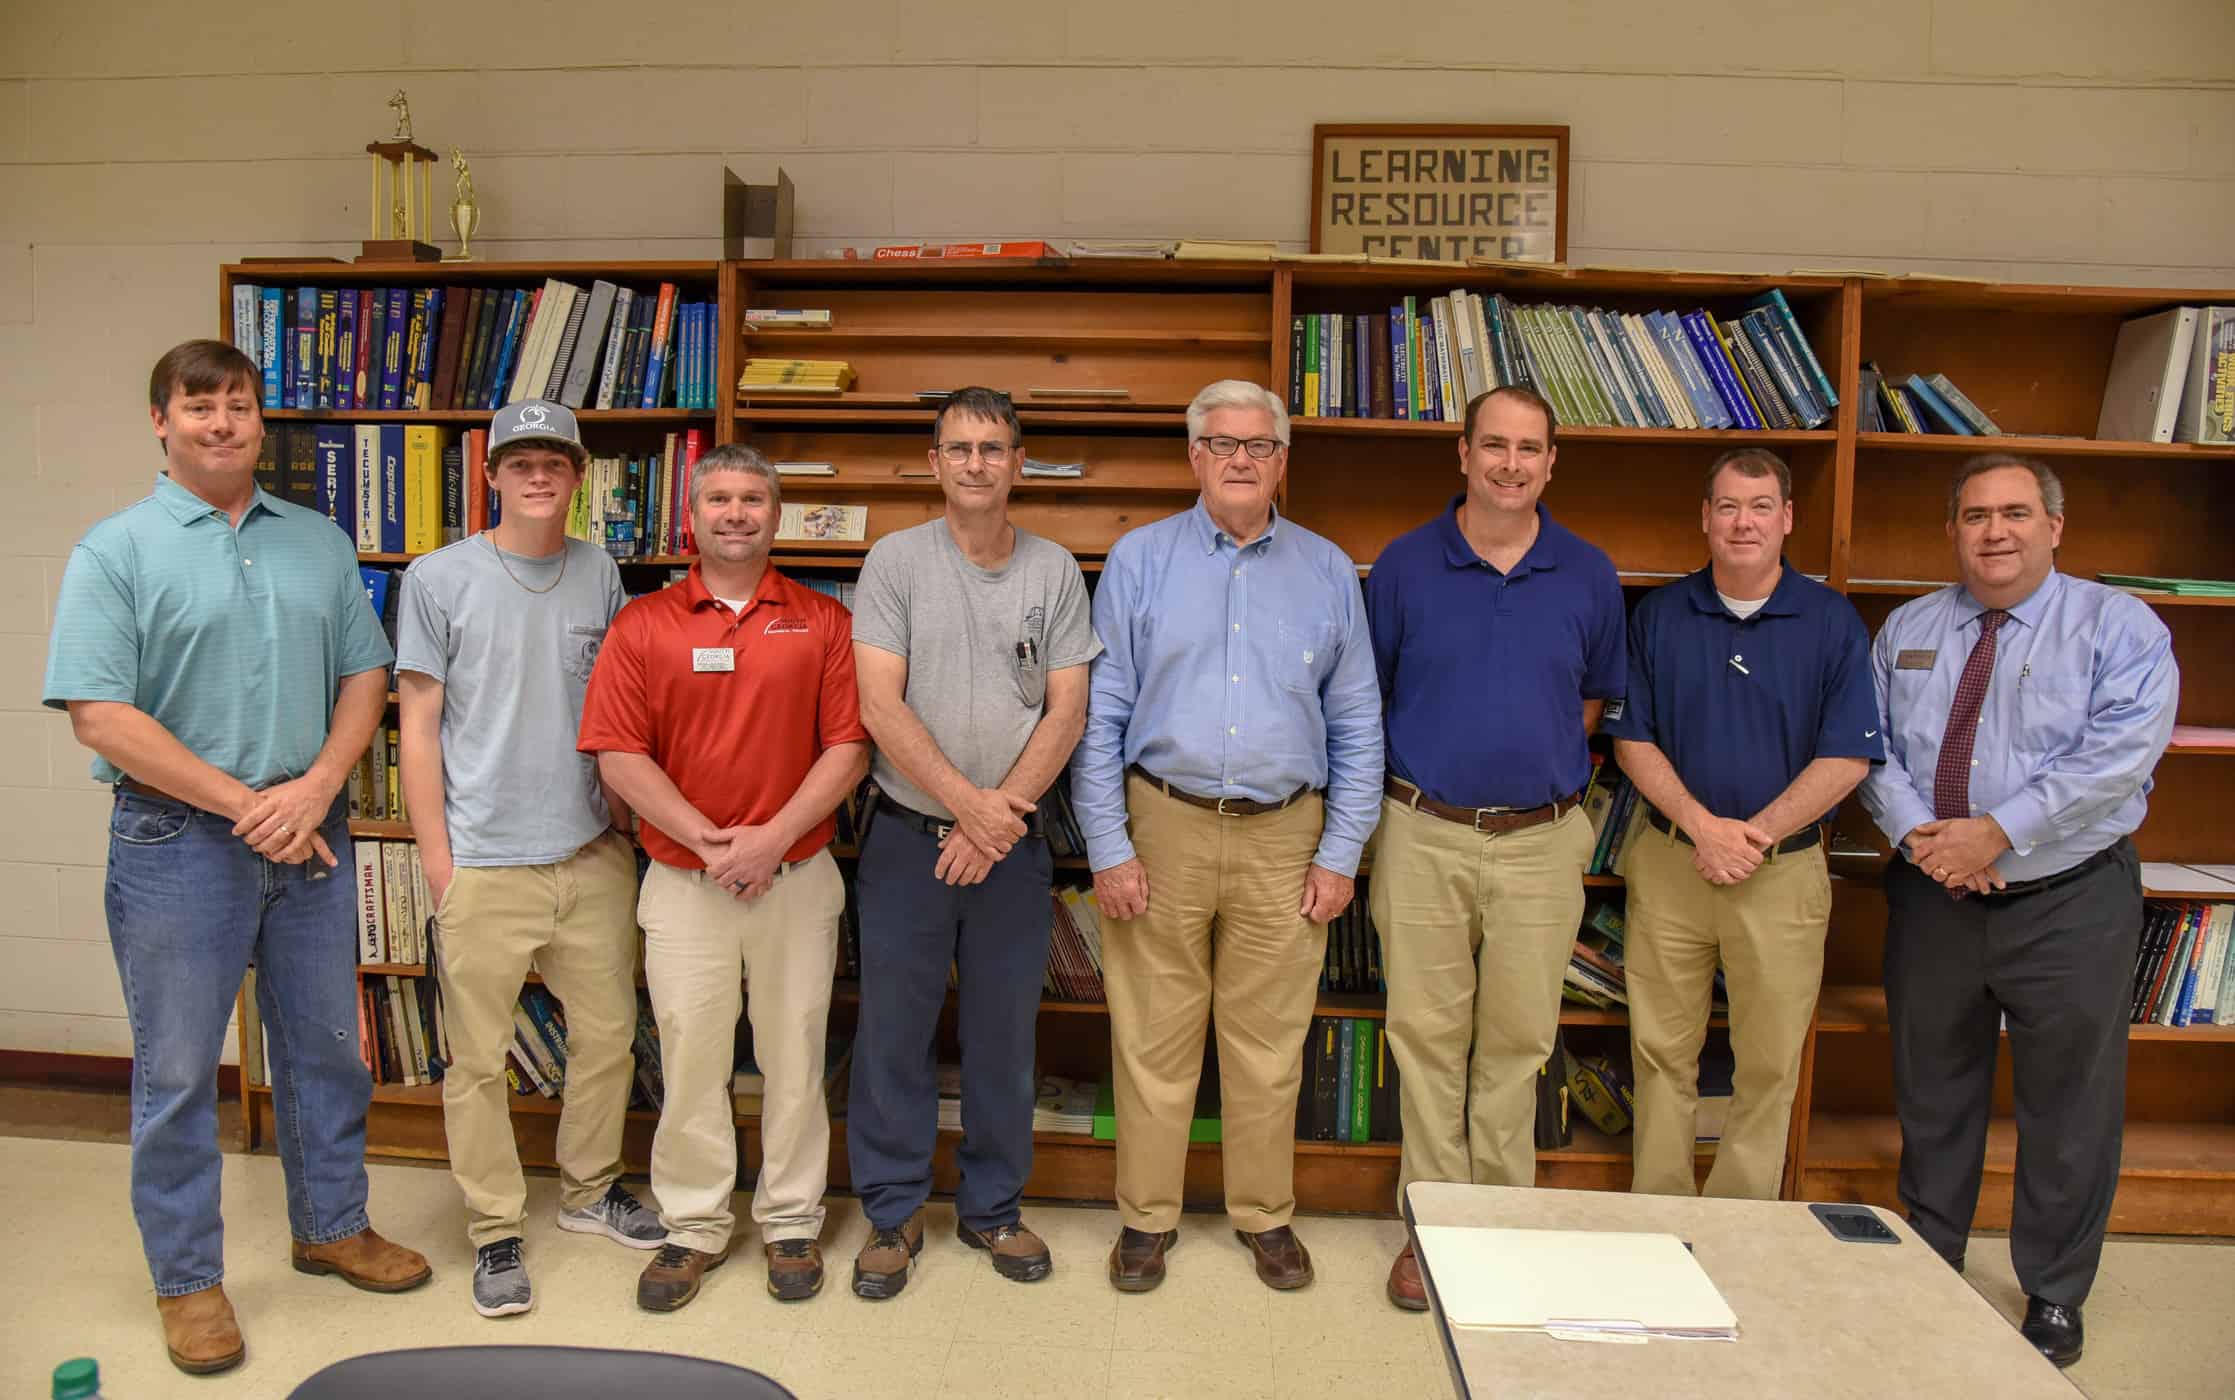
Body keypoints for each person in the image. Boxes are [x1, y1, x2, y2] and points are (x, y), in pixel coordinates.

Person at [44, 340, 430, 1375]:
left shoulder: (318, 540)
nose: (222, 422)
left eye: (240, 405)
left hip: (310, 837)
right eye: (199, 404)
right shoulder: (113, 549)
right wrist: (245, 803)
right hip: (176, 841)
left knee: (325, 1052)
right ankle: (187, 1280)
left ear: (264, 422)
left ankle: (331, 1225)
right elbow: (99, 716)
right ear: (160, 421)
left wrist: (309, 792)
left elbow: (364, 677)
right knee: (175, 1072)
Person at [1858, 453, 2176, 1369]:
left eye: (2014, 513)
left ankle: (2055, 1291)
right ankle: (1930, 1256)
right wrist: (1931, 841)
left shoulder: (2119, 626)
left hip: (2068, 899)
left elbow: (2117, 755)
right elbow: (1871, 749)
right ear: (1950, 529)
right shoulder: (1909, 627)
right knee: (1932, 1085)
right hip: (1933, 894)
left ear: (2053, 527)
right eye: (1973, 515)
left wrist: (1993, 832)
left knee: (2069, 1102)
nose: (1994, 531)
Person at [1072, 379, 1382, 1294]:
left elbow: (1357, 720)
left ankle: (1264, 1216)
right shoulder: (1139, 559)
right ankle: (1145, 1221)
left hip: (1288, 835)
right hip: (1159, 825)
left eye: (1258, 445)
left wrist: (1341, 853)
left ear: (1282, 460)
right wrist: (1107, 846)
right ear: (1193, 457)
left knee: (1267, 1044)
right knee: (1153, 1039)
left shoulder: (1327, 568)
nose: (1240, 459)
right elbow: (1102, 715)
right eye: (1221, 444)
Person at [578, 444, 869, 1312]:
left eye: (751, 500)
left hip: (798, 877)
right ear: (691, 517)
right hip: (683, 882)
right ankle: (694, 1227)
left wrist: (768, 840)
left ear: (774, 517)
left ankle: (789, 1220)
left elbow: (849, 747)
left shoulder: (824, 621)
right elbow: (618, 755)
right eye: (719, 500)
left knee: (794, 1053)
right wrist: (710, 845)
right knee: (691, 1057)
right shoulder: (644, 624)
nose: (735, 514)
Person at [396, 399, 663, 1319]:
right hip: (483, 857)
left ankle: (590, 1192)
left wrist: (627, 827)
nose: (538, 475)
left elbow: (621, 711)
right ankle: (495, 1229)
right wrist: (440, 862)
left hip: (589, 851)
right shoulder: (436, 579)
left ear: (579, 476)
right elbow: (418, 728)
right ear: (492, 473)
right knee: (475, 1061)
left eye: (556, 460)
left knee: (607, 1038)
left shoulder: (602, 573)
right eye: (521, 461)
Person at [1363, 385, 1624, 1311]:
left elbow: (1587, 706)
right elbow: (1374, 699)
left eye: (1530, 449)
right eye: (1494, 446)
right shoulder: (1400, 567)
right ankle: (1430, 1231)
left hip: (1540, 842)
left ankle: (1500, 1223)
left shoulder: (1588, 573)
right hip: (1422, 830)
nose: (1511, 463)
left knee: (1517, 1042)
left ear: (1551, 462)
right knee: (1426, 1041)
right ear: (1462, 454)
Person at [846, 388, 1100, 1298]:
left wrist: (997, 822)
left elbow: (1067, 708)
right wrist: (967, 811)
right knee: (893, 1035)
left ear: (1017, 463)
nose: (976, 463)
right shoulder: (894, 562)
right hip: (910, 842)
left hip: (1010, 847)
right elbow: (879, 704)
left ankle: (992, 1210)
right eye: (959, 448)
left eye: (993, 448)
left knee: (1003, 1036)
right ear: (935, 463)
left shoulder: (1053, 569)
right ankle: (890, 1212)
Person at [1606, 448, 1880, 1205]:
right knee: (1661, 1050)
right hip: (1671, 863)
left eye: (1760, 506)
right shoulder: (1658, 615)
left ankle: (1740, 1218)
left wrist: (1749, 836)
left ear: (1787, 518)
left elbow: (1848, 758)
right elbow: (1631, 740)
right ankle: (1658, 1209)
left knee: (1768, 1061)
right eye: (1727, 505)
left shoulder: (1830, 622)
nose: (1742, 521)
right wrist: (1704, 829)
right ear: (1704, 518)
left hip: (1781, 873)